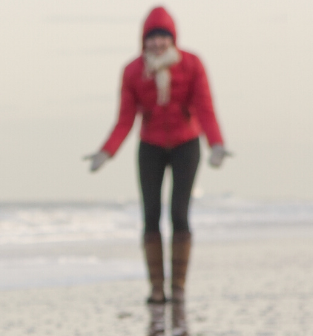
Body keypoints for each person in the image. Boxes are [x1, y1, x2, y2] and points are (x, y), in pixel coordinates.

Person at [86, 6, 230, 304]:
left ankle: (177, 287)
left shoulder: (191, 64)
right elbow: (125, 118)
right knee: (150, 215)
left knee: (179, 213)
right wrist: (106, 152)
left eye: (163, 38)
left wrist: (215, 144)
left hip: (186, 144)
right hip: (150, 145)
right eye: (152, 39)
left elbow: (205, 107)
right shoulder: (133, 71)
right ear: (143, 41)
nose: (158, 44)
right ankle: (156, 288)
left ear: (172, 38)